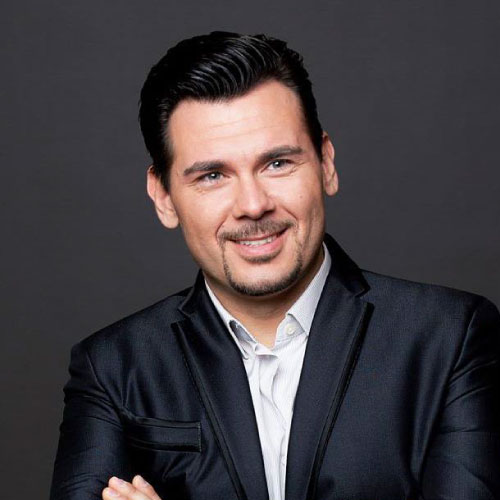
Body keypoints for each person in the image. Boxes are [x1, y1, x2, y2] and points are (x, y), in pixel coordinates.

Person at [49, 32, 500, 500]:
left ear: (325, 163)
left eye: (278, 163)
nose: (253, 204)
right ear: (163, 197)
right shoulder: (112, 366)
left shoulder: (450, 337)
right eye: (212, 175)